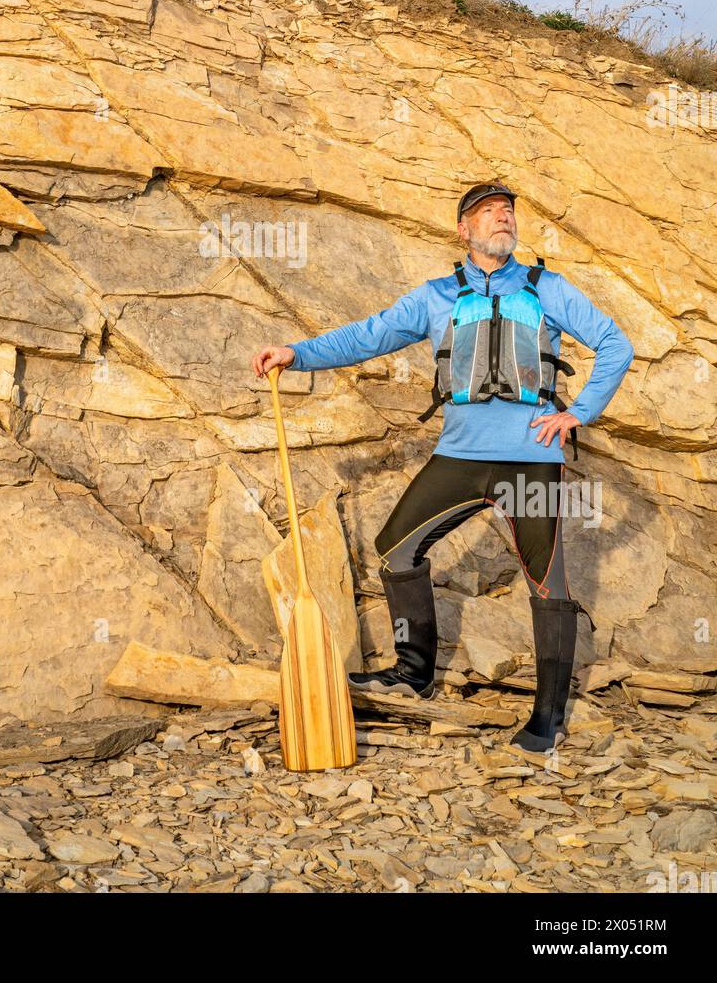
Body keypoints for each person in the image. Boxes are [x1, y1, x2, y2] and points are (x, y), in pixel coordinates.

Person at [251, 181, 634, 752]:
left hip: (531, 462)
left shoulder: (548, 288)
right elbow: (369, 335)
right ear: (464, 230)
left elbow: (615, 343)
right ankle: (415, 673)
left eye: (507, 211)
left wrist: (578, 414)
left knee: (548, 584)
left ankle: (548, 719)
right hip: (459, 457)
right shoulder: (436, 297)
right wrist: (297, 353)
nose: (502, 218)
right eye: (488, 212)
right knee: (396, 550)